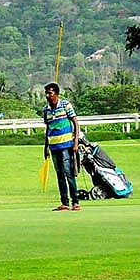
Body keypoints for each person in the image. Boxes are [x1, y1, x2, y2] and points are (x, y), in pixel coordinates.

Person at [42, 82, 81, 211]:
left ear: (56, 94)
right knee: (59, 175)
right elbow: (48, 128)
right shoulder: (46, 110)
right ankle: (64, 202)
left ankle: (75, 202)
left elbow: (75, 123)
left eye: (50, 93)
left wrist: (75, 142)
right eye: (46, 93)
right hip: (53, 146)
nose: (48, 96)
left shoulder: (65, 105)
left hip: (66, 145)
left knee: (68, 172)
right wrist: (46, 147)